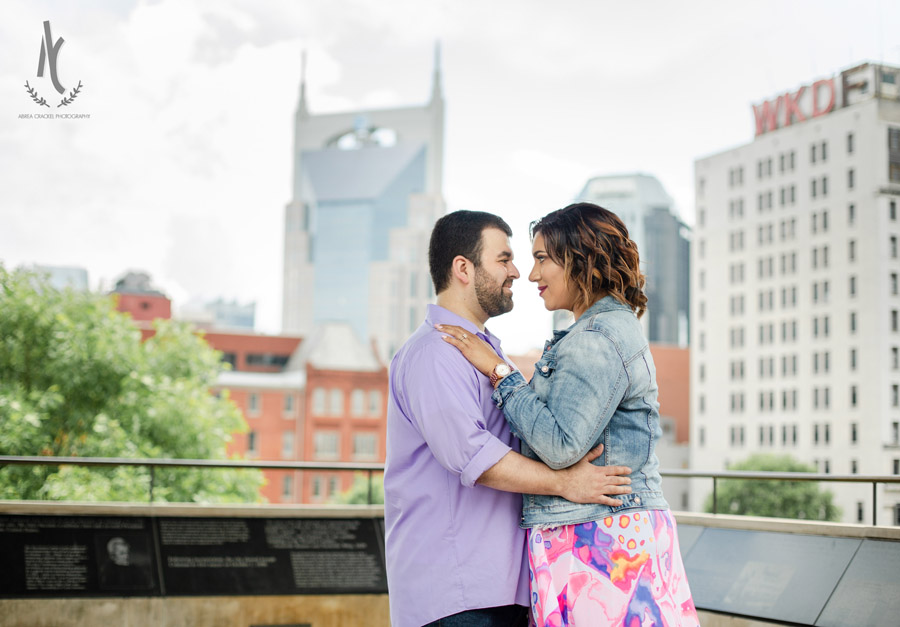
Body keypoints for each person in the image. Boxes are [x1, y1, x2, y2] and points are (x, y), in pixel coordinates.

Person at [438, 203, 700, 626]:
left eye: (542, 258)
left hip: (599, 541)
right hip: (607, 533)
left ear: (581, 259)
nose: (533, 274)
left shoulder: (595, 337)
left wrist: (500, 372)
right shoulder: (607, 328)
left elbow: (561, 445)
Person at [385, 210, 634, 627]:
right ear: (463, 268)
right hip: (456, 594)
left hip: (495, 591)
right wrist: (565, 482)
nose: (517, 271)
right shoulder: (435, 353)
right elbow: (472, 455)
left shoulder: (483, 352)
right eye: (503, 259)